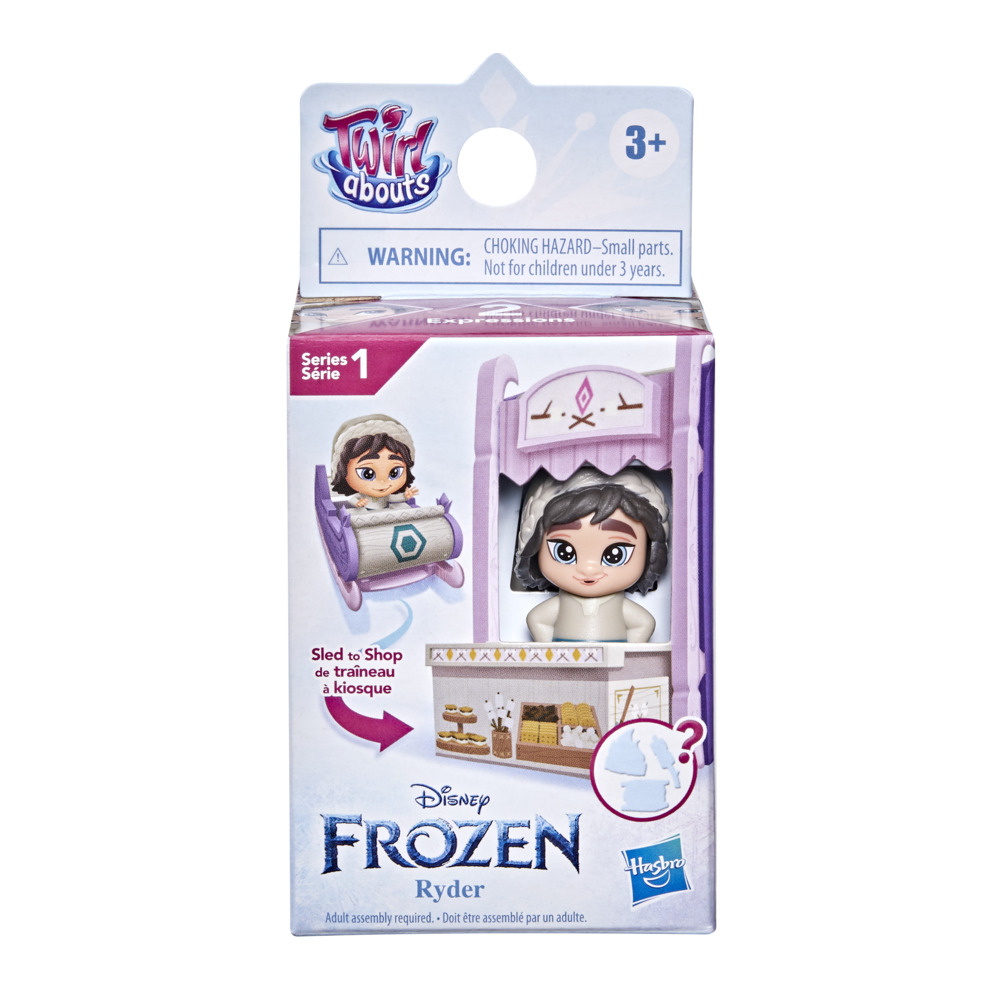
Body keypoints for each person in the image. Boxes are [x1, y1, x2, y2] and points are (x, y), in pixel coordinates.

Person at [514, 467, 668, 642]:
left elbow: (645, 623)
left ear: (649, 552)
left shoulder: (619, 606)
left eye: (615, 554)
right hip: (565, 657)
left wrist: (627, 652)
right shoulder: (561, 604)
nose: (589, 569)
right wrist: (550, 651)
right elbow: (536, 619)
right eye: (564, 552)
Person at [328, 414, 420, 510]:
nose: (382, 482)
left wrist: (405, 496)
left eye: (394, 472)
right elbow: (353, 499)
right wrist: (358, 503)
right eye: (367, 474)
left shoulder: (386, 495)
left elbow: (393, 498)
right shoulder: (361, 495)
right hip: (364, 514)